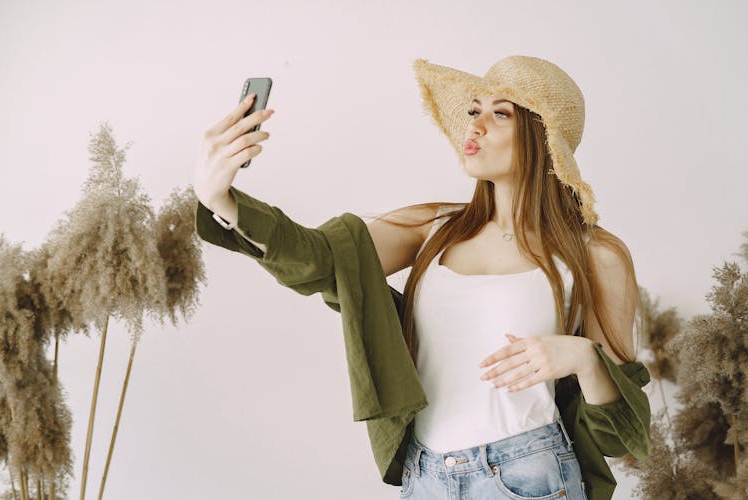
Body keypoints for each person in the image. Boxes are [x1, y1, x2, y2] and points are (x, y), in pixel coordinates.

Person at [193, 55, 650, 500]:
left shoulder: (595, 255)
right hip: (426, 475)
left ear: (542, 137)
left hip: (527, 475)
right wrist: (222, 200)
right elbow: (321, 260)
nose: (475, 125)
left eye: (500, 113)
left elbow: (618, 433)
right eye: (474, 110)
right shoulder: (433, 228)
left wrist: (584, 358)